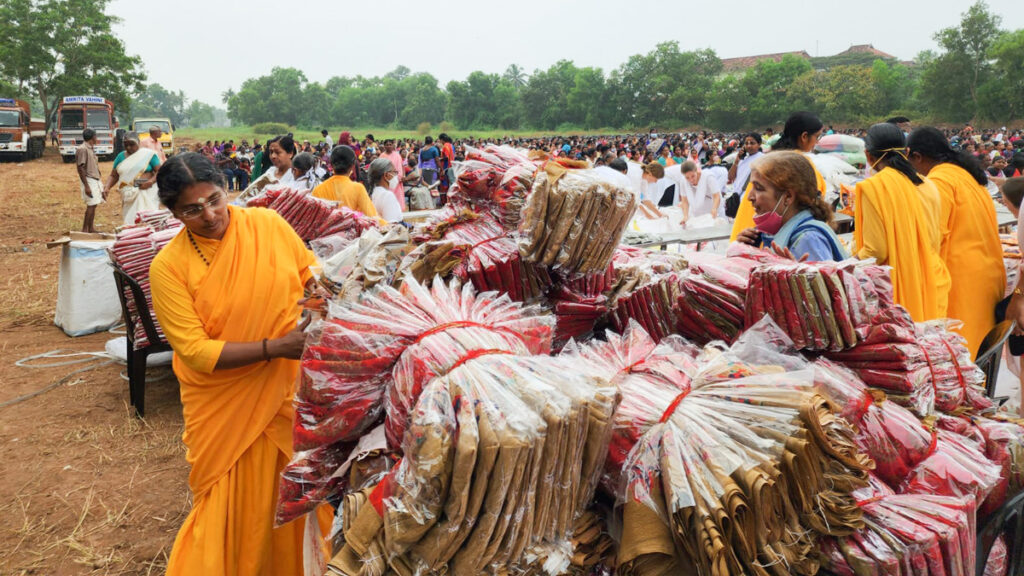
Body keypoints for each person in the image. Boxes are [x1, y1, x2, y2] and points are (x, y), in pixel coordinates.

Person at [148, 153, 332, 575]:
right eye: (191, 210)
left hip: (286, 391)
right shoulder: (169, 267)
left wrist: (325, 295)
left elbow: (308, 274)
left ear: (226, 189)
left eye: (214, 199)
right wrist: (275, 347)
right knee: (228, 502)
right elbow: (195, 351)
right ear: (172, 212)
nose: (209, 215)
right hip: (223, 406)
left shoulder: (267, 225)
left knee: (295, 491)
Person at [908, 126, 1006, 356]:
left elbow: (932, 237)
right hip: (987, 277)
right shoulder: (965, 175)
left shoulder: (939, 181)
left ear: (917, 157)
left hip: (962, 282)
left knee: (963, 357)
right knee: (979, 356)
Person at [855, 122, 950, 322]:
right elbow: (934, 237)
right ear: (906, 152)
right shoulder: (928, 184)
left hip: (897, 286)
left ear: (868, 156)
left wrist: (848, 261)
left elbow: (875, 252)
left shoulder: (874, 187)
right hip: (932, 278)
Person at [730, 112, 827, 241]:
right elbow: (812, 205)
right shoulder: (802, 165)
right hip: (776, 241)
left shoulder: (770, 158)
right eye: (817, 136)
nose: (817, 142)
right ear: (804, 136)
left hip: (745, 235)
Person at [735, 151, 848, 262]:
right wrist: (748, 252)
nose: (749, 197)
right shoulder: (775, 233)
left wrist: (790, 272)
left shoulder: (808, 240)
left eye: (758, 188)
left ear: (788, 197)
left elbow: (823, 279)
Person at [103, 132, 161, 225]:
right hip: (127, 191)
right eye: (126, 145)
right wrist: (107, 187)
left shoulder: (148, 154)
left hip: (145, 188)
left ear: (138, 142)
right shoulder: (120, 156)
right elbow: (114, 175)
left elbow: (160, 171)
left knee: (147, 217)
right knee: (130, 218)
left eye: (132, 144)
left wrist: (151, 181)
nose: (129, 147)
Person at [310, 145, 379, 218]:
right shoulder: (358, 188)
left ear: (331, 164)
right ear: (352, 165)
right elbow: (373, 218)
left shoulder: (318, 189)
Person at [76, 128, 105, 232]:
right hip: (89, 179)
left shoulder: (90, 148)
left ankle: (91, 228)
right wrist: (87, 186)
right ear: (93, 137)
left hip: (94, 178)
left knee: (94, 204)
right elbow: (80, 168)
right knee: (91, 205)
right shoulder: (83, 149)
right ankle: (85, 229)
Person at [678, 161, 721, 226]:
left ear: (696, 171)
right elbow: (685, 201)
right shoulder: (683, 181)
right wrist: (685, 216)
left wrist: (714, 208)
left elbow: (716, 196)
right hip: (696, 213)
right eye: (687, 177)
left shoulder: (708, 177)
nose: (691, 180)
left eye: (693, 176)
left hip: (712, 210)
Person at [368, 157, 403, 223]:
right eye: (394, 172)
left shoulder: (374, 193)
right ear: (386, 175)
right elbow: (392, 226)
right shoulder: (387, 196)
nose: (396, 175)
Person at [380, 139, 406, 210]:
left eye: (390, 144)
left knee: (397, 197)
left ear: (393, 146)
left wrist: (402, 176)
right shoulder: (382, 156)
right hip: (386, 180)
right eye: (387, 145)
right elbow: (381, 168)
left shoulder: (397, 155)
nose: (388, 146)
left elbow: (401, 166)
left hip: (397, 179)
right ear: (384, 146)